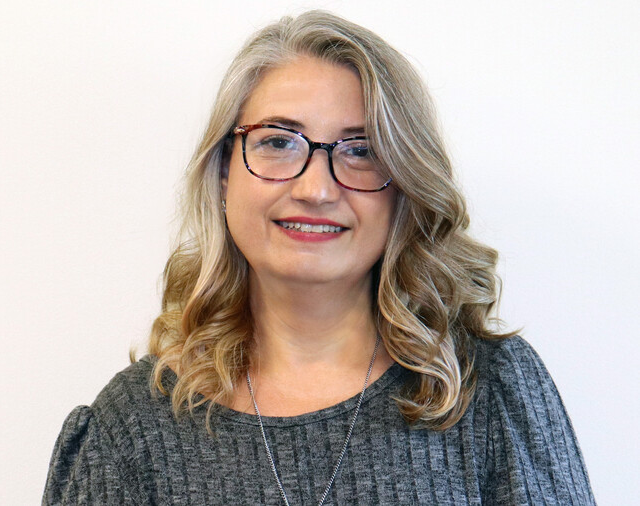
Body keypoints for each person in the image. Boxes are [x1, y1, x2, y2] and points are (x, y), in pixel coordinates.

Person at [43, 10, 595, 505]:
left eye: (361, 151)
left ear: (406, 186)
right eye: (278, 142)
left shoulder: (493, 392)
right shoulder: (128, 431)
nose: (316, 189)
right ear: (224, 172)